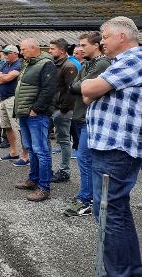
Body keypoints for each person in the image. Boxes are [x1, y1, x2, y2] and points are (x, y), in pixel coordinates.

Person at [82, 16, 142, 276]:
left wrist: (91, 87)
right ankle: (128, 269)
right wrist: (90, 88)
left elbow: (90, 87)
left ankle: (121, 272)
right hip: (110, 147)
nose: (102, 42)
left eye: (105, 37)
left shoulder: (134, 59)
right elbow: (86, 95)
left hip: (116, 148)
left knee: (109, 212)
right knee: (114, 210)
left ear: (121, 36)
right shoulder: (119, 63)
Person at [63, 32, 109, 217]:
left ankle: (87, 200)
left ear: (96, 45)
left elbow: (84, 88)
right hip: (82, 116)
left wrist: (84, 89)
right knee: (85, 159)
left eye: (84, 45)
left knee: (85, 159)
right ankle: (87, 196)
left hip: (90, 118)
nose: (80, 49)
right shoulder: (87, 64)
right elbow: (74, 86)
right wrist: (83, 89)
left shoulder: (102, 63)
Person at [14, 38, 57, 201]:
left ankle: (44, 187)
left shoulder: (46, 64)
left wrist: (36, 109)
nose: (21, 52)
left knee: (41, 151)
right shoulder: (29, 63)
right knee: (31, 149)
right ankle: (33, 180)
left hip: (36, 114)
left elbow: (48, 90)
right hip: (25, 113)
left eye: (23, 49)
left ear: (33, 48)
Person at [0, 45, 29, 166]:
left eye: (8, 53)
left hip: (13, 99)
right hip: (3, 99)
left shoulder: (18, 64)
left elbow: (8, 78)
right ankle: (13, 152)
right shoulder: (5, 64)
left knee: (19, 128)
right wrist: (2, 78)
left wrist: (2, 77)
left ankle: (25, 156)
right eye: (5, 53)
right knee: (6, 126)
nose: (6, 55)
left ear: (15, 53)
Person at [48, 38, 78, 183]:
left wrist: (64, 110)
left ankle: (65, 171)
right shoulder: (55, 64)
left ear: (62, 50)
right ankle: (48, 168)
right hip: (52, 108)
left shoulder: (69, 66)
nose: (49, 51)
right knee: (46, 138)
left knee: (64, 140)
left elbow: (72, 90)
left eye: (52, 48)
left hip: (61, 110)